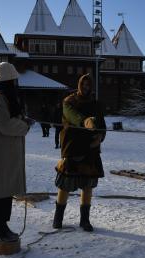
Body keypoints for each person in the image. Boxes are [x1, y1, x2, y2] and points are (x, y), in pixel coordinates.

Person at [0, 62, 32, 242]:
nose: (15, 84)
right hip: (0, 154)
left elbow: (8, 118)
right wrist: (24, 125)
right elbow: (3, 124)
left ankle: (3, 227)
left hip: (5, 153)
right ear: (6, 81)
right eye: (13, 81)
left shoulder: (1, 97)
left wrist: (21, 118)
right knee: (0, 193)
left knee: (5, 192)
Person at [52, 74, 106, 232]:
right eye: (84, 84)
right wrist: (85, 121)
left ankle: (85, 220)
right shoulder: (69, 101)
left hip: (90, 149)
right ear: (79, 85)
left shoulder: (96, 104)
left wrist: (100, 137)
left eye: (89, 84)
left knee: (87, 185)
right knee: (65, 185)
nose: (86, 87)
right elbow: (71, 116)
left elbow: (102, 125)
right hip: (73, 147)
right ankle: (58, 218)